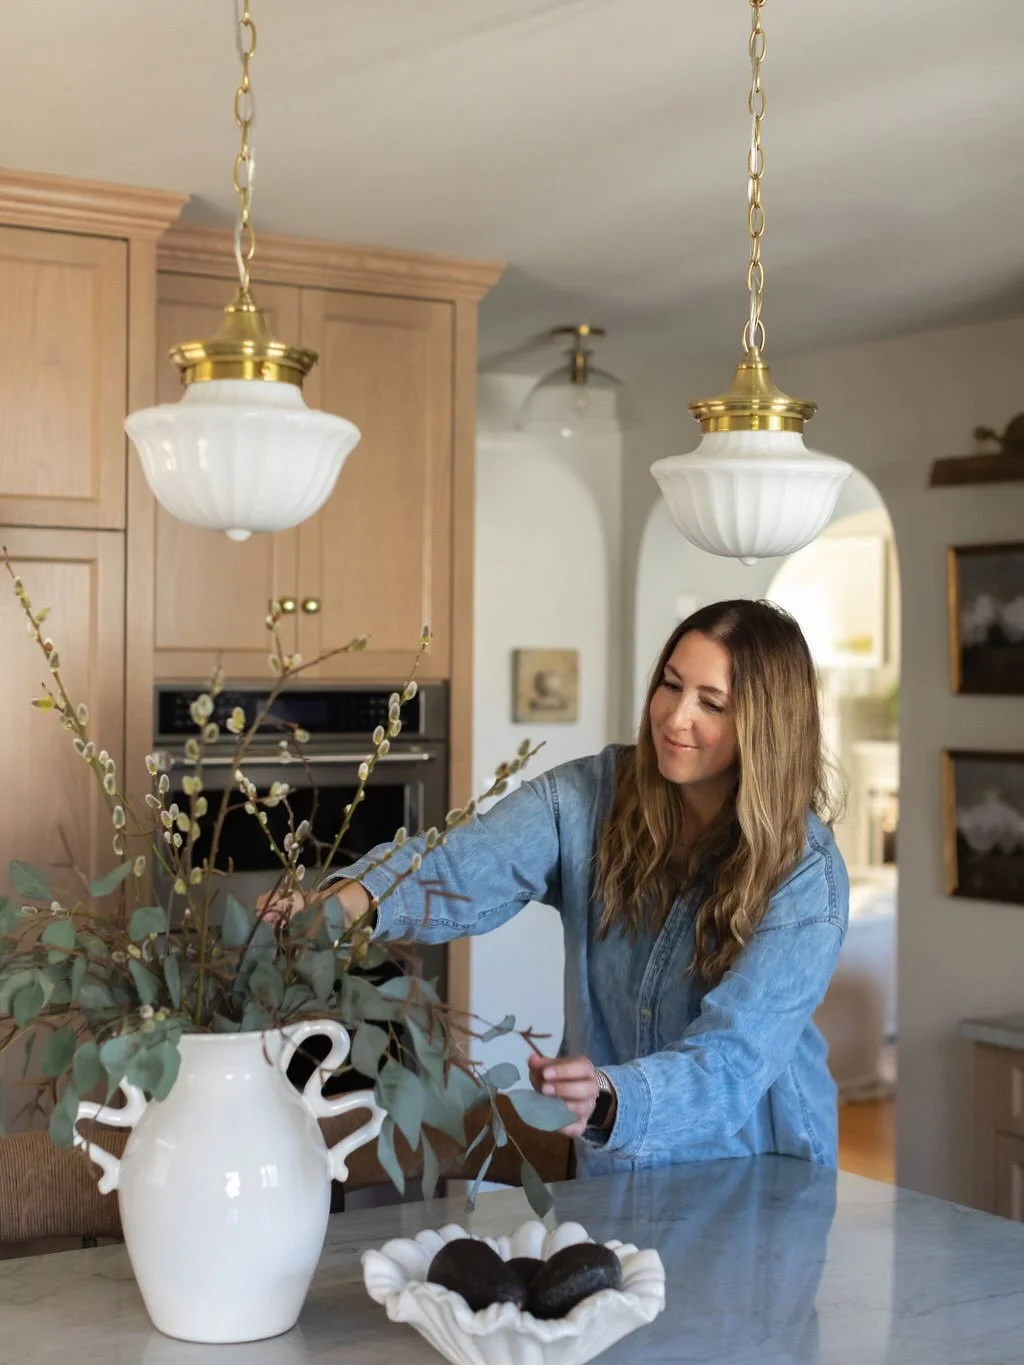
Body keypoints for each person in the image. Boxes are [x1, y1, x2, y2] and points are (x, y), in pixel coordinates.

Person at [274, 599, 849, 1175]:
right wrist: (348, 903)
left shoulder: (804, 874)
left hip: (756, 1170)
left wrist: (606, 1097)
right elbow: (469, 862)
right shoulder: (592, 797)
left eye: (712, 703)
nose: (676, 718)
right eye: (671, 687)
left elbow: (730, 1065)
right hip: (607, 1160)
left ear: (765, 726)